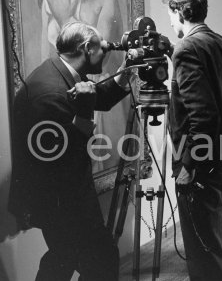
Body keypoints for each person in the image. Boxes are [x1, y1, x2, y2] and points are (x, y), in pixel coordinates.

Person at [8, 21, 132, 280]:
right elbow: (63, 156)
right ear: (87, 48)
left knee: (62, 257)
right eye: (102, 48)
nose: (106, 51)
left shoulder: (60, 71)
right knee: (101, 259)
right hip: (60, 199)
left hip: (61, 194)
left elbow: (98, 97)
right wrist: (85, 111)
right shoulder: (49, 93)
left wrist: (125, 72)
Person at [164, 0, 222, 281]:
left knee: (205, 250)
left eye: (170, 15)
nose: (170, 22)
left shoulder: (186, 48)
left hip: (203, 162)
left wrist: (188, 165)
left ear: (179, 11)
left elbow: (202, 115)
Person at [38, 0, 129, 173]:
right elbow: (73, 153)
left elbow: (101, 92)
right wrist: (63, 13)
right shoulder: (53, 91)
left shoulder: (67, 76)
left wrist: (126, 72)